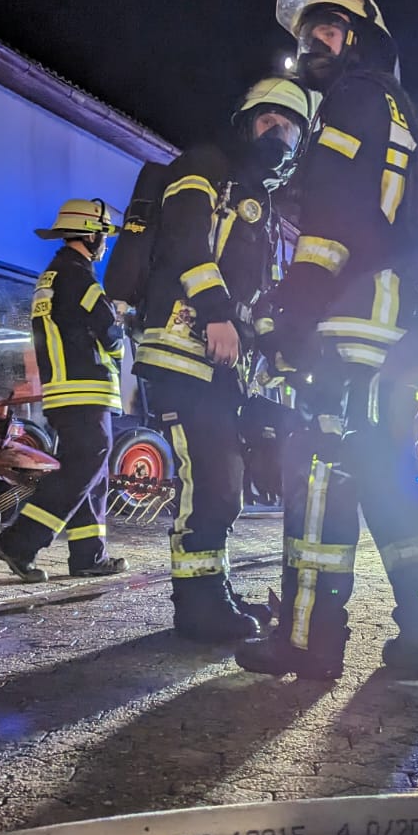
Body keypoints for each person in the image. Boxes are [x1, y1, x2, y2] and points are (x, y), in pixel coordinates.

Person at [236, 0, 418, 679]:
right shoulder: (399, 108)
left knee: (321, 480)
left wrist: (293, 306)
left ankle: (309, 642)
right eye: (309, 33)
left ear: (361, 40)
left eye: (330, 28)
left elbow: (335, 218)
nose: (314, 43)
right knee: (390, 485)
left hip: (349, 321)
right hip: (387, 323)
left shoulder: (354, 99)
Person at [132, 78, 311, 642]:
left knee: (224, 486)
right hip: (182, 355)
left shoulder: (259, 201)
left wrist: (276, 351)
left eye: (288, 128)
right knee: (209, 484)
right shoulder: (207, 165)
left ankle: (214, 592)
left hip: (219, 369)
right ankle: (197, 608)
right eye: (267, 121)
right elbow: (185, 238)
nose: (276, 134)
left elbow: (254, 299)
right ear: (245, 124)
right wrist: (213, 312)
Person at [0, 199, 127, 582]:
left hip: (65, 390)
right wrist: (121, 327)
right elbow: (110, 334)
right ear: (90, 234)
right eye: (103, 236)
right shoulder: (79, 276)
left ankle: (88, 556)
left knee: (91, 471)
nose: (104, 244)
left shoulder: (52, 275)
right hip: (85, 389)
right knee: (85, 466)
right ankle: (19, 542)